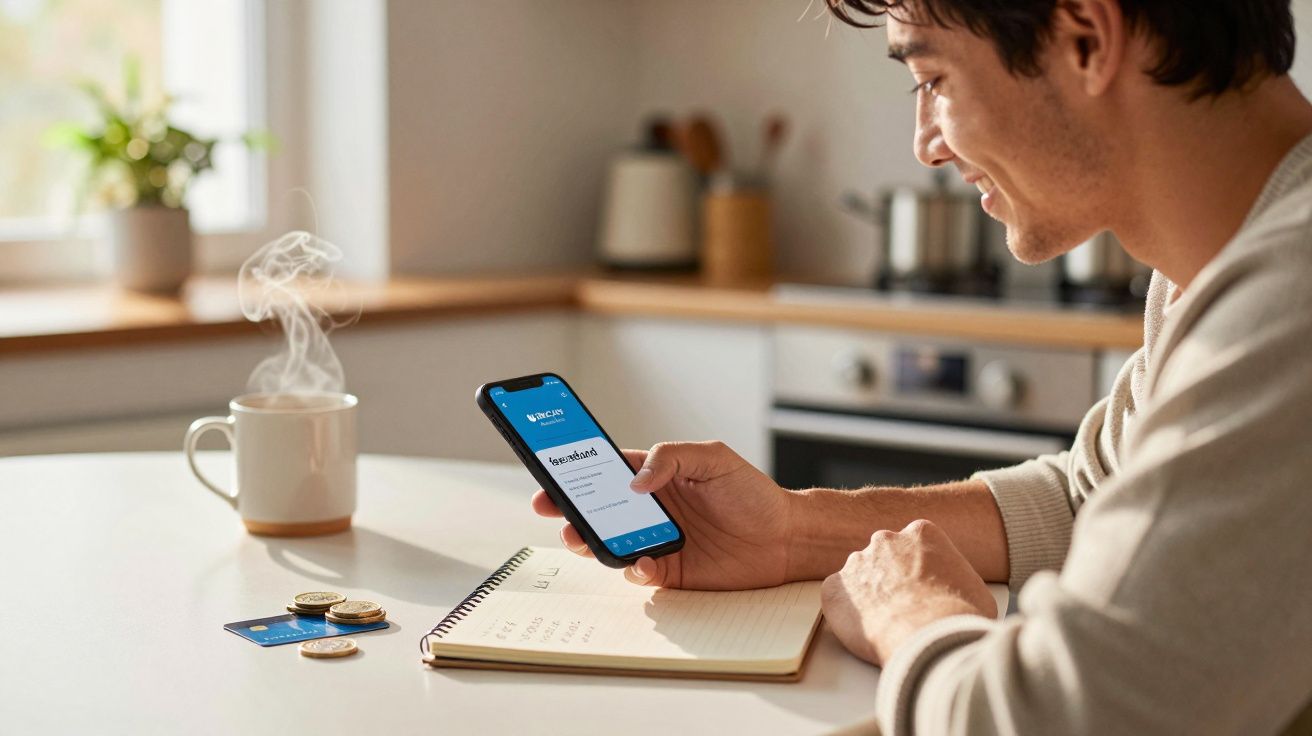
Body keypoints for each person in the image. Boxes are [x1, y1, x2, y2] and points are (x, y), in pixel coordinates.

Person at [533, 0, 1312, 732]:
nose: (926, 144)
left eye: (934, 80)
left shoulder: (1290, 299)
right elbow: (1090, 499)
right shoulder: (1224, 263)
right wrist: (792, 532)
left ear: (1086, 38)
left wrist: (912, 613)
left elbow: (1058, 718)